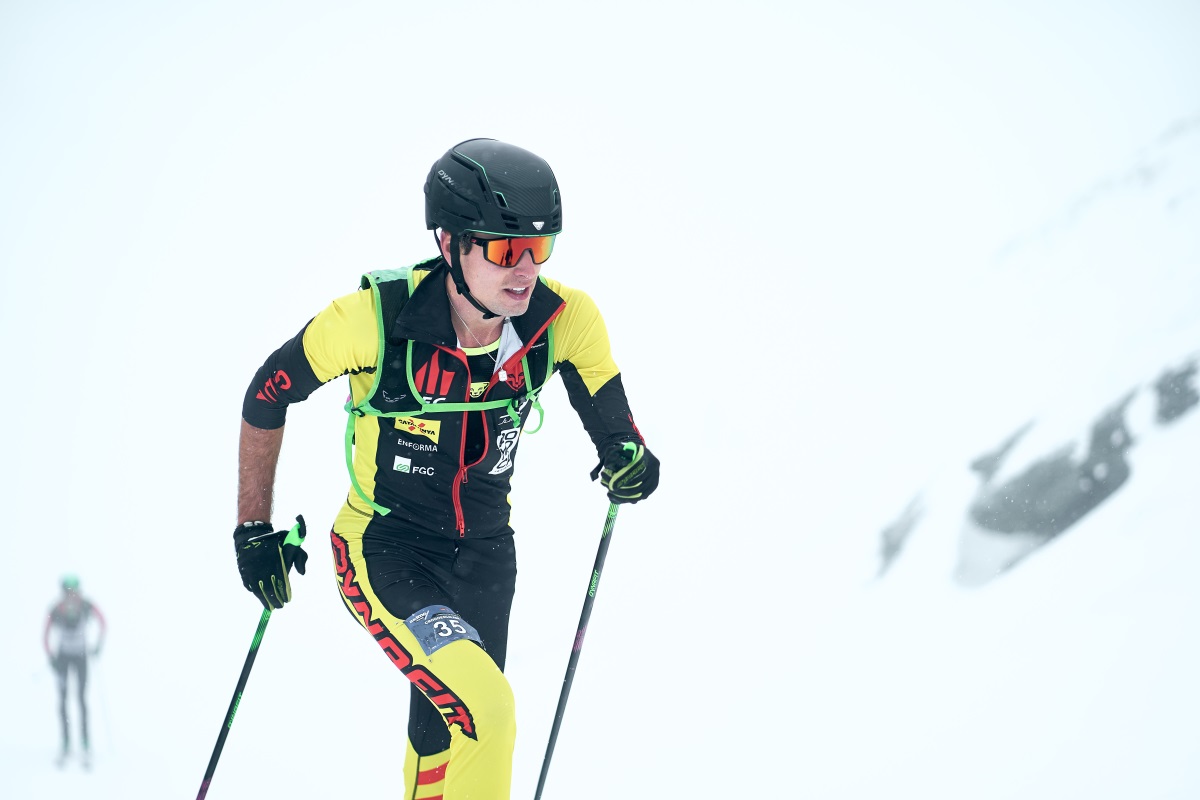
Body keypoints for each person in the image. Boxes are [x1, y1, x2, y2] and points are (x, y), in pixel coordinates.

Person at [232, 138, 660, 799]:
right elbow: (268, 392)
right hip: (387, 550)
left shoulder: (564, 321)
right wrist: (252, 527)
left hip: (488, 555)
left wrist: (628, 458)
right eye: (502, 249)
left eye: (539, 250)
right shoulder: (375, 321)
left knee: (448, 726)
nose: (525, 270)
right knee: (487, 712)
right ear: (448, 241)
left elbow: (617, 427)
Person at [44, 574, 106, 767]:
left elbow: (103, 623)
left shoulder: (86, 606)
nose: (71, 595)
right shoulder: (56, 609)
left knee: (81, 699)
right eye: (68, 591)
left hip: (80, 658)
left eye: (74, 591)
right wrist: (52, 657)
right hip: (63, 658)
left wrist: (98, 646)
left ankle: (85, 742)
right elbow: (44, 635)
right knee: (63, 700)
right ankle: (66, 742)